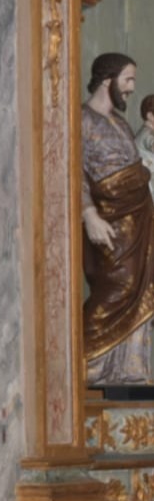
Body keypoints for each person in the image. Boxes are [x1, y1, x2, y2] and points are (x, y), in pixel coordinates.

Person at [81, 53, 154, 385]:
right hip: (111, 220)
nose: (131, 89)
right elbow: (73, 172)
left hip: (139, 218)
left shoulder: (122, 123)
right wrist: (89, 214)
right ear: (107, 80)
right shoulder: (81, 119)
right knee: (118, 287)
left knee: (144, 287)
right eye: (128, 80)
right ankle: (89, 359)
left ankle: (131, 369)